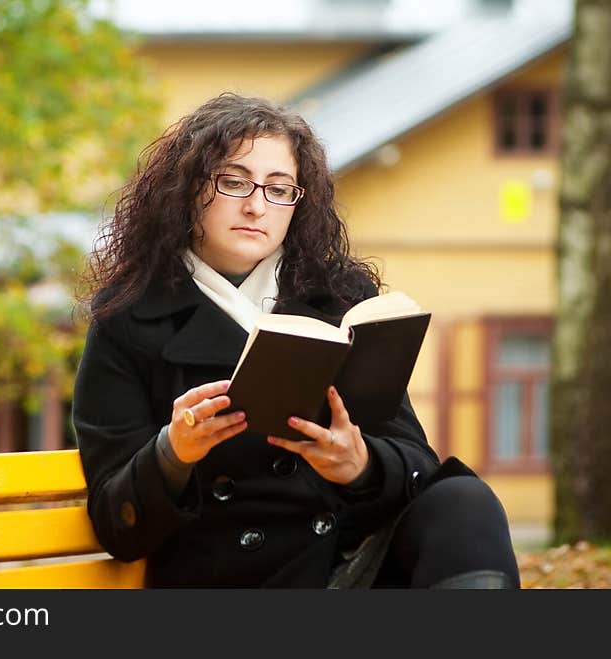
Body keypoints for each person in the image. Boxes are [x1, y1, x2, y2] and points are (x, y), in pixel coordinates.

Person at [72, 92, 521, 588]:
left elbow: (416, 460)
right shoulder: (128, 316)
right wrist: (172, 453)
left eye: (279, 189)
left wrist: (362, 466)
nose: (256, 206)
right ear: (186, 189)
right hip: (231, 580)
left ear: (297, 203)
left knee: (464, 499)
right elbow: (117, 522)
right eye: (233, 182)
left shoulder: (339, 298)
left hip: (345, 565)